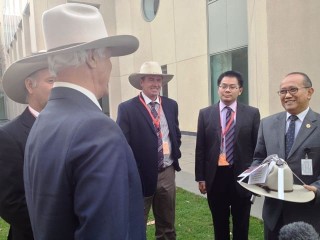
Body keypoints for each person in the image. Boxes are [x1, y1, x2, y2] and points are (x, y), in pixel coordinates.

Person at [22, 3, 145, 239]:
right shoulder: (97, 128)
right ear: (91, 58)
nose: (110, 65)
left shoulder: (43, 120)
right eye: (108, 57)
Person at [117, 61, 182, 239]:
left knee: (167, 223)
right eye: (151, 79)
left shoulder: (170, 105)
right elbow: (122, 144)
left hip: (167, 172)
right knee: (137, 222)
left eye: (158, 80)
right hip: (140, 175)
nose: (156, 84)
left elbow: (175, 133)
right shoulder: (127, 108)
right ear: (141, 82)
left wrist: (174, 153)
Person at [252, 72, 320, 239]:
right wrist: (256, 176)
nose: (287, 95)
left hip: (308, 214)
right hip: (274, 213)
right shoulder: (267, 124)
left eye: (293, 89)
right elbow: (259, 158)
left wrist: (318, 188)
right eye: (282, 91)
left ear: (309, 92)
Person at [195, 70, 260, 240]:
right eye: (223, 86)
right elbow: (200, 147)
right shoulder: (205, 113)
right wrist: (200, 177)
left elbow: (257, 148)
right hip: (215, 177)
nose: (227, 90)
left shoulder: (252, 113)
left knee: (242, 222)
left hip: (242, 177)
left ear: (240, 90)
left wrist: (256, 176)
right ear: (218, 89)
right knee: (219, 222)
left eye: (232, 87)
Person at [0, 60, 53, 240]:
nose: (59, 88)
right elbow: (10, 202)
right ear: (30, 85)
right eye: (51, 80)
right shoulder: (8, 136)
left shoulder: (75, 126)